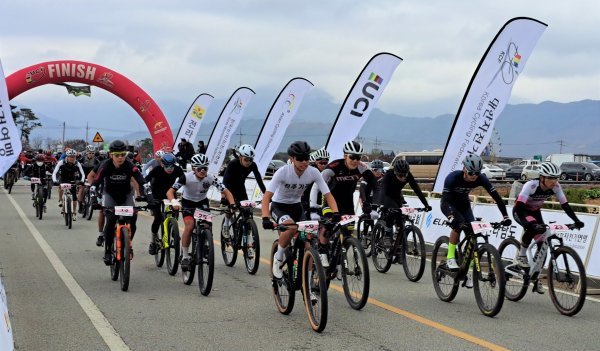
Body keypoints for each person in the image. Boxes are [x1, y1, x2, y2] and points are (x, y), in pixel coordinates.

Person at [262, 141, 340, 277]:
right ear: (292, 159)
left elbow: (328, 194)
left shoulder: (313, 172)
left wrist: (336, 212)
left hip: (297, 207)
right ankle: (278, 257)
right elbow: (266, 197)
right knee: (290, 228)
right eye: (300, 159)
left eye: (307, 158)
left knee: (308, 242)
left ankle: (307, 284)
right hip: (279, 206)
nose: (304, 162)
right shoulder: (282, 172)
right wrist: (265, 217)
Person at [512, 161, 584, 292]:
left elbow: (565, 205)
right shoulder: (531, 185)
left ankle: (535, 275)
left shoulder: (556, 186)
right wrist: (527, 224)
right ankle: (521, 255)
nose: (554, 181)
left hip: (535, 211)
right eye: (551, 178)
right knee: (532, 226)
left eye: (556, 177)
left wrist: (576, 220)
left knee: (542, 245)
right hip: (521, 211)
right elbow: (519, 206)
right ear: (542, 177)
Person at [441, 154, 511, 283]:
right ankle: (450, 256)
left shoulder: (481, 178)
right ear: (464, 169)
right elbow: (444, 202)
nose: (474, 175)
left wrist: (505, 216)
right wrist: (451, 217)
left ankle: (467, 269)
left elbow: (497, 197)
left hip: (464, 205)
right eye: (471, 172)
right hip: (450, 205)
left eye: (477, 172)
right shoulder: (452, 178)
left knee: (473, 232)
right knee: (458, 224)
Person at [167, 154, 235, 271]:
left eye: (205, 168)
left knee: (207, 225)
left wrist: (232, 205)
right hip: (188, 203)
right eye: (199, 169)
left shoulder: (210, 178)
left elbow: (226, 191)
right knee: (190, 225)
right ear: (194, 169)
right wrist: (174, 202)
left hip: (202, 202)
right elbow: (170, 191)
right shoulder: (186, 177)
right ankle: (185, 255)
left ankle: (206, 245)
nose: (203, 171)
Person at [91, 140, 146, 265]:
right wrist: (94, 198)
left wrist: (148, 195)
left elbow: (141, 180)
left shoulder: (129, 165)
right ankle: (108, 251)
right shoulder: (105, 165)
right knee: (110, 219)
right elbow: (95, 182)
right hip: (110, 194)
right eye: (117, 155)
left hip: (126, 195)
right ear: (111, 155)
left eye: (123, 154)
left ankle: (128, 244)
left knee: (133, 218)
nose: (120, 158)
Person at [221, 144, 267, 237]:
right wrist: (223, 197)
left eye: (251, 159)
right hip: (229, 188)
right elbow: (225, 182)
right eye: (246, 159)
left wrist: (266, 195)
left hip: (240, 187)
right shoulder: (233, 164)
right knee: (231, 208)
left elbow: (259, 181)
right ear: (240, 157)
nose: (248, 162)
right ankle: (226, 224)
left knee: (247, 210)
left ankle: (246, 233)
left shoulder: (253, 165)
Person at [145, 153, 184, 255]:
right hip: (156, 195)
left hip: (170, 194)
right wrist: (146, 194)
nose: (170, 168)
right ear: (162, 164)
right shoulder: (156, 170)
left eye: (172, 166)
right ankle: (153, 241)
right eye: (167, 166)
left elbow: (184, 179)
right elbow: (145, 181)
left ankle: (173, 229)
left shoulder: (177, 169)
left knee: (176, 210)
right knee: (158, 218)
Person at [52, 148, 85, 218]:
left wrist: (82, 181)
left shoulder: (77, 163)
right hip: (63, 178)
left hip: (72, 180)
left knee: (74, 197)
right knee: (60, 187)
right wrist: (54, 181)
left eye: (74, 157)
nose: (72, 158)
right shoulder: (61, 162)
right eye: (71, 157)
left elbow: (82, 173)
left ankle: (74, 212)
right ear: (67, 156)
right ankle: (60, 200)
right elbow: (54, 172)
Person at [301, 148, 330, 218]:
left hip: (319, 200)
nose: (323, 165)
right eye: (321, 163)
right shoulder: (310, 171)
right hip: (306, 200)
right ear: (316, 162)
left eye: (325, 163)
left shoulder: (328, 171)